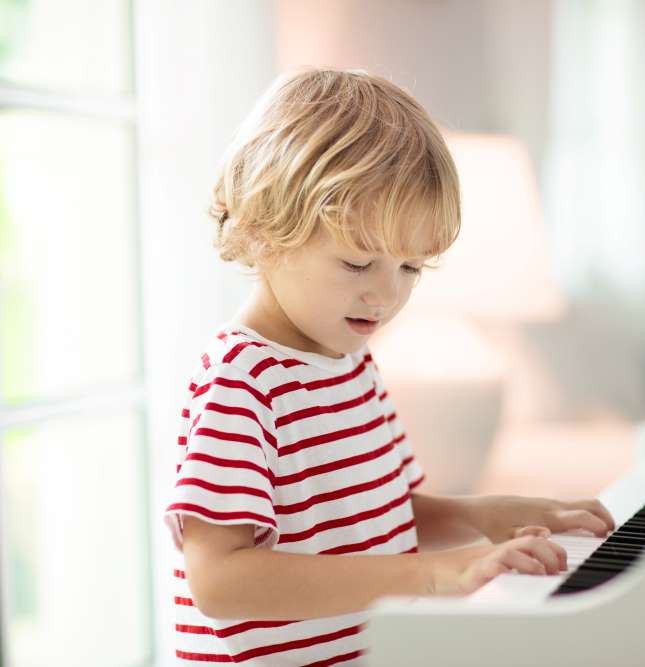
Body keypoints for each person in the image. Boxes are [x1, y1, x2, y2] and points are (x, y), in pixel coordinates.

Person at [164, 67, 616, 666]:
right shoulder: (242, 382)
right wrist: (429, 576)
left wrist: (489, 516)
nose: (386, 296)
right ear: (262, 231)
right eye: (357, 264)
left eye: (410, 268)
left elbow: (388, 518)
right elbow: (219, 582)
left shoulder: (351, 364)